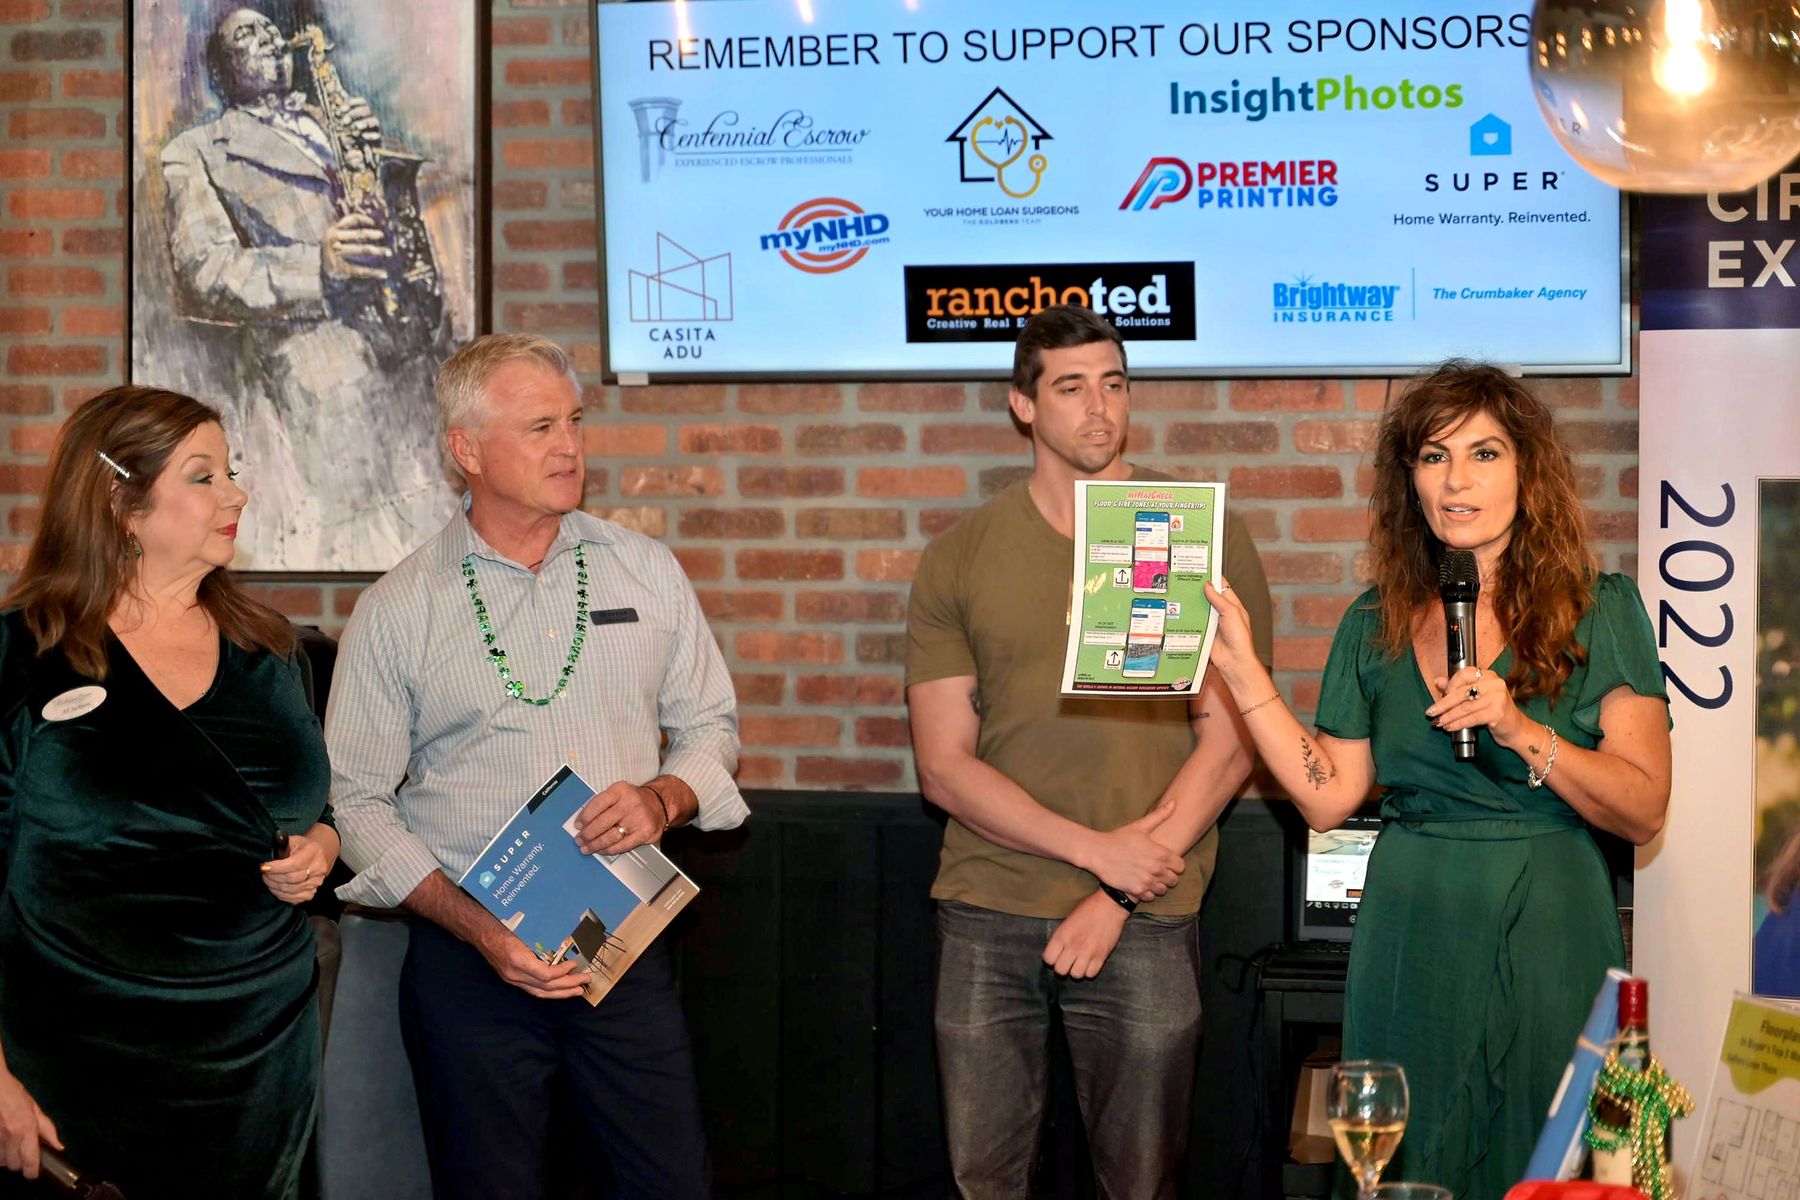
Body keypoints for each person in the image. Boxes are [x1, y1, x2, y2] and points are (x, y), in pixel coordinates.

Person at [1203, 362, 1672, 1199]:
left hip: (1550, 919)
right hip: (1411, 925)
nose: (1457, 481)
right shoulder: (1372, 621)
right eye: (1433, 455)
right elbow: (1327, 795)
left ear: (1529, 471)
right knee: (1406, 1155)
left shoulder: (1600, 608)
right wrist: (1243, 675)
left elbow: (1643, 808)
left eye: (1484, 454)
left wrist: (1519, 728)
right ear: (1409, 479)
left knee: (1548, 1154)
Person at [326, 334, 746, 1199]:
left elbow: (711, 725)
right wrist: (479, 929)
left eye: (575, 422)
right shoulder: (399, 608)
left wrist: (666, 797)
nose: (569, 447)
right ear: (467, 450)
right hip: (470, 961)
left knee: (668, 1182)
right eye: (540, 427)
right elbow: (356, 800)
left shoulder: (645, 570)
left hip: (621, 942)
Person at [905, 305, 1274, 1198]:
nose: (1099, 407)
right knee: (983, 1181)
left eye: (1113, 384)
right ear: (1023, 405)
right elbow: (943, 766)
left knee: (1141, 1181)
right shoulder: (960, 555)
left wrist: (1116, 889)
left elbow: (1234, 741)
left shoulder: (1195, 532)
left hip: (1147, 907)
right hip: (989, 903)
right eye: (1070, 388)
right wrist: (1095, 854)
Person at [0, 386, 336, 1199]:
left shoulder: (273, 651)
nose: (236, 495)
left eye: (231, 472)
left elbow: (317, 811)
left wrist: (323, 846)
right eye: (203, 476)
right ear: (122, 502)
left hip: (259, 1062)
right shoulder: (23, 652)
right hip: (73, 1058)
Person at [156, 7, 453, 570]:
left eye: (272, 30)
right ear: (219, 73)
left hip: (406, 338)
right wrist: (319, 266)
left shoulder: (328, 121)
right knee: (368, 533)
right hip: (315, 361)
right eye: (249, 34)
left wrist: (370, 154)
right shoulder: (195, 151)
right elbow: (205, 272)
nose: (271, 39)